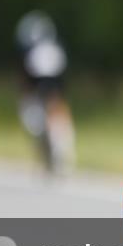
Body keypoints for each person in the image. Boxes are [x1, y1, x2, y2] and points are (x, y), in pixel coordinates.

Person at [15, 11, 75, 173]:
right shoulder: (57, 48)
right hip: (53, 93)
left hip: (40, 94)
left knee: (36, 125)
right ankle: (57, 156)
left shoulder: (32, 53)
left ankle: (51, 157)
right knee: (54, 122)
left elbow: (27, 82)